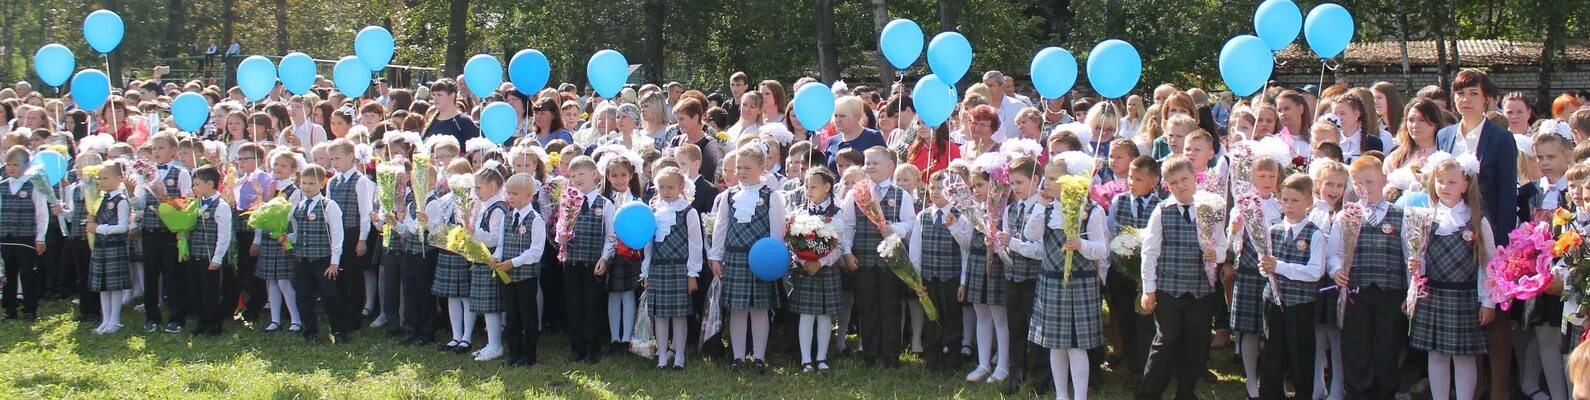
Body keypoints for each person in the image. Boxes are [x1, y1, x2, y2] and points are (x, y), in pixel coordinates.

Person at [1436, 71, 1518, 400]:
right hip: (1448, 240)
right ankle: (1473, 388)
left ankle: (1499, 390)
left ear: (1487, 99)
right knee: (1464, 316)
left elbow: (1507, 196)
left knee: (1494, 315)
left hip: (1488, 236)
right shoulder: (1444, 136)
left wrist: (1500, 249)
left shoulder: (1500, 138)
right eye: (1460, 93)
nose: (1466, 99)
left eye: (1473, 93)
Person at [1138, 156, 1227, 400]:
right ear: (1166, 185)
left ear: (1195, 178)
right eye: (1174, 182)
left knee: (1196, 343)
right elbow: (1150, 252)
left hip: (1200, 289)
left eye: (1185, 179)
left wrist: (1215, 253)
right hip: (1169, 289)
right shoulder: (1162, 211)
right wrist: (1149, 289)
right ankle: (1148, 393)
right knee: (1165, 340)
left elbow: (1223, 243)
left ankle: (1186, 392)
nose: (1181, 186)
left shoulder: (1208, 210)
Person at [1408, 155, 1496, 400]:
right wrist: (1417, 265)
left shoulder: (1476, 220)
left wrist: (1488, 302)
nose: (1445, 187)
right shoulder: (1425, 218)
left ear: (1465, 185)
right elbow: (1421, 257)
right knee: (1436, 354)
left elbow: (1488, 265)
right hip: (1434, 294)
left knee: (1464, 356)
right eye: (1440, 181)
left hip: (1464, 295)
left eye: (1451, 182)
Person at [1031, 155, 1108, 400]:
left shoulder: (1092, 210)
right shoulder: (1046, 208)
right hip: (1051, 280)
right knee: (1056, 344)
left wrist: (1081, 244)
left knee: (1076, 346)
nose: (1047, 182)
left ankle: (1080, 396)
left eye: (1053, 178)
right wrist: (1040, 206)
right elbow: (1031, 234)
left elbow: (1101, 248)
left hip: (1079, 281)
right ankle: (1061, 394)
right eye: (1046, 177)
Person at [1337, 156, 1412, 400]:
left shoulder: (1401, 215)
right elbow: (1334, 252)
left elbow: (1409, 256)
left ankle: (1386, 391)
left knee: (1387, 342)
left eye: (1370, 181)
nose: (1365, 188)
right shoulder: (1347, 214)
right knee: (1357, 342)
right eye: (1358, 183)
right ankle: (1358, 391)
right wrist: (1335, 270)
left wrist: (1411, 292)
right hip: (1357, 289)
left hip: (1391, 291)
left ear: (1383, 180)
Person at [709, 147, 787, 372]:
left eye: (747, 168)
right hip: (734, 258)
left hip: (761, 260)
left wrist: (773, 260)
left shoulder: (772, 196)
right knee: (738, 309)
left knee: (759, 309)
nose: (741, 172)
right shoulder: (728, 196)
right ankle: (738, 356)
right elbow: (721, 227)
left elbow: (776, 233)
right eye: (739, 168)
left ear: (762, 168)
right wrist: (716, 256)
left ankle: (760, 356)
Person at [1255, 173, 1328, 400]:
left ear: (1309, 202)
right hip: (1274, 302)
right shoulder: (1273, 230)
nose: (1289, 205)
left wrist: (1280, 267)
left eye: (1295, 200)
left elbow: (1315, 272)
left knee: (1300, 355)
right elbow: (1265, 266)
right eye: (1285, 200)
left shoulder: (1315, 235)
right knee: (1271, 353)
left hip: (1300, 306)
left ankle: (1303, 393)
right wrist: (1266, 267)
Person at [1514, 133, 1572, 400]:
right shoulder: (1528, 192)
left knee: (1569, 341)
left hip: (1571, 275)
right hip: (1539, 275)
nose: (1545, 163)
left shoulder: (1576, 191)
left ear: (1567, 156)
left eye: (1552, 156)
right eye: (1540, 157)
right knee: (1545, 335)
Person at [1225, 155, 1282, 399]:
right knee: (1249, 330)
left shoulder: (1282, 204)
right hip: (1249, 271)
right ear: (1251, 178)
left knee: (1271, 330)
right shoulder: (1242, 205)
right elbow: (1230, 242)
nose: (1267, 180)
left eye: (1272, 176)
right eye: (1262, 176)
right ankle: (1251, 381)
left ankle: (1271, 380)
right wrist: (1235, 228)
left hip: (1274, 273)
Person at [641, 167, 702, 370]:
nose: (665, 192)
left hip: (679, 269)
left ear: (681, 187)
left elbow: (695, 244)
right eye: (661, 187)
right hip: (659, 268)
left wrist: (692, 273)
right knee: (660, 314)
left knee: (679, 314)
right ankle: (661, 356)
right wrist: (646, 268)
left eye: (670, 187)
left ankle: (679, 356)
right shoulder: (654, 211)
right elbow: (648, 243)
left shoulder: (688, 212)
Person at [910, 170, 970, 372]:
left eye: (941, 188)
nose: (935, 192)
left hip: (950, 276)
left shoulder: (960, 215)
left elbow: (965, 248)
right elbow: (916, 250)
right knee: (931, 317)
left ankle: (952, 359)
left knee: (952, 317)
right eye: (932, 188)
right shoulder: (923, 215)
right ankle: (931, 357)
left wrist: (962, 281)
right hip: (928, 276)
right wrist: (916, 279)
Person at [558, 155, 616, 363]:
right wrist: (561, 236)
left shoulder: (605, 204)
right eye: (572, 176)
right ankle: (577, 348)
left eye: (581, 174)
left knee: (593, 305)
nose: (577, 179)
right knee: (574, 305)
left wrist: (605, 258)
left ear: (594, 175)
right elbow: (559, 230)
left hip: (594, 262)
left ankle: (593, 349)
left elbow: (611, 235)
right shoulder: (568, 203)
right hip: (572, 261)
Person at [136, 133, 194, 332]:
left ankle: (177, 317)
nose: (156, 152)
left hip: (171, 232)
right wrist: (130, 190)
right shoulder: (146, 173)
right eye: (154, 149)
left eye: (161, 148)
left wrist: (168, 202)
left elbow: (187, 203)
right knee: (151, 275)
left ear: (173, 151)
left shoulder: (181, 173)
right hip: (150, 230)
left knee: (173, 275)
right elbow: (139, 203)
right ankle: (152, 316)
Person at [289, 164, 350, 343]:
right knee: (303, 296)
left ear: (322, 184)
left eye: (311, 183)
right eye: (304, 183)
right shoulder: (298, 206)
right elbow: (298, 233)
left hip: (323, 259)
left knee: (330, 296)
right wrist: (285, 237)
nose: (307, 187)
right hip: (302, 258)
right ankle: (310, 331)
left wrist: (334, 262)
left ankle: (339, 330)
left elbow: (338, 235)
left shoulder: (329, 206)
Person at [597, 151, 643, 354]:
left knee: (628, 294)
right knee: (613, 295)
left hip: (630, 254)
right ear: (607, 177)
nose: (619, 179)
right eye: (614, 175)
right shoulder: (604, 201)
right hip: (611, 253)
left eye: (623, 175)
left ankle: (627, 338)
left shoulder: (638, 201)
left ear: (631, 176)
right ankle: (615, 338)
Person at [256, 150, 305, 334]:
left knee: (285, 281)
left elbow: (287, 214)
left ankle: (296, 318)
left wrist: (271, 200)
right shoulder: (269, 186)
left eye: (283, 165)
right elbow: (261, 214)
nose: (278, 168)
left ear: (293, 170)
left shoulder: (294, 190)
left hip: (285, 237)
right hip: (269, 237)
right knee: (271, 281)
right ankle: (275, 319)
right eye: (276, 164)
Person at [85, 160, 131, 334]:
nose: (101, 182)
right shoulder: (101, 199)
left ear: (119, 178)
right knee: (103, 285)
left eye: (105, 178)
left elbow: (123, 227)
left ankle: (115, 320)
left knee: (114, 285)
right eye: (100, 178)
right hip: (101, 246)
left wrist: (99, 229)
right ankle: (105, 320)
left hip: (115, 245)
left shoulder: (121, 200)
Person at [187, 165, 234, 337]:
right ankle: (201, 321)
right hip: (196, 254)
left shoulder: (221, 206)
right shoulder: (196, 203)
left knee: (210, 292)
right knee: (196, 290)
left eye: (197, 184)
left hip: (210, 258)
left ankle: (213, 323)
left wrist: (217, 258)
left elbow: (224, 235)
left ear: (210, 184)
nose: (194, 188)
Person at [824, 96, 887, 172]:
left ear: (856, 116)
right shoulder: (832, 141)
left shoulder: (873, 137)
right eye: (836, 116)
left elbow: (884, 167)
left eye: (842, 116)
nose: (838, 120)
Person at [422, 79, 481, 146]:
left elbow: (476, 149)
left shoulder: (463, 121)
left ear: (452, 96)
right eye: (433, 95)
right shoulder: (432, 121)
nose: (435, 98)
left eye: (439, 94)